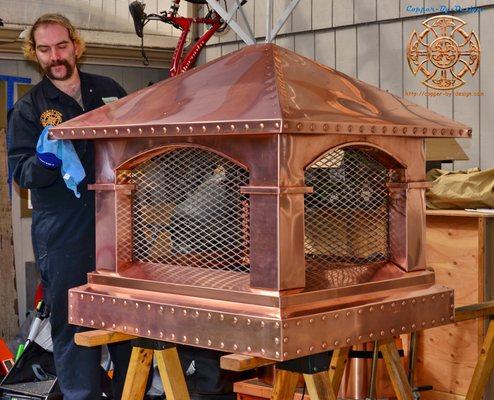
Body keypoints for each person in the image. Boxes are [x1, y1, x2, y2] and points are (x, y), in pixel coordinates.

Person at [7, 13, 131, 400]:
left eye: (61, 46)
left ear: (75, 45)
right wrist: (44, 162)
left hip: (118, 218)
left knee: (126, 312)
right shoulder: (30, 108)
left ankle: (132, 390)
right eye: (44, 49)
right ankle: (82, 395)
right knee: (73, 316)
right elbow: (21, 172)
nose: (55, 56)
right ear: (35, 54)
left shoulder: (109, 89)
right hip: (63, 226)